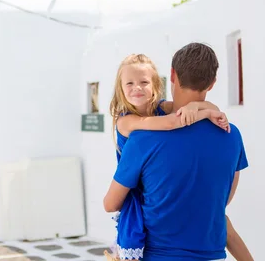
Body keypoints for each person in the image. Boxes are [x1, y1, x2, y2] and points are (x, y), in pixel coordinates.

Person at [104, 44, 253, 261]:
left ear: (172, 75)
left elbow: (110, 204)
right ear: (212, 83)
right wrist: (207, 111)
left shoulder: (142, 139)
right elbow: (224, 199)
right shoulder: (231, 134)